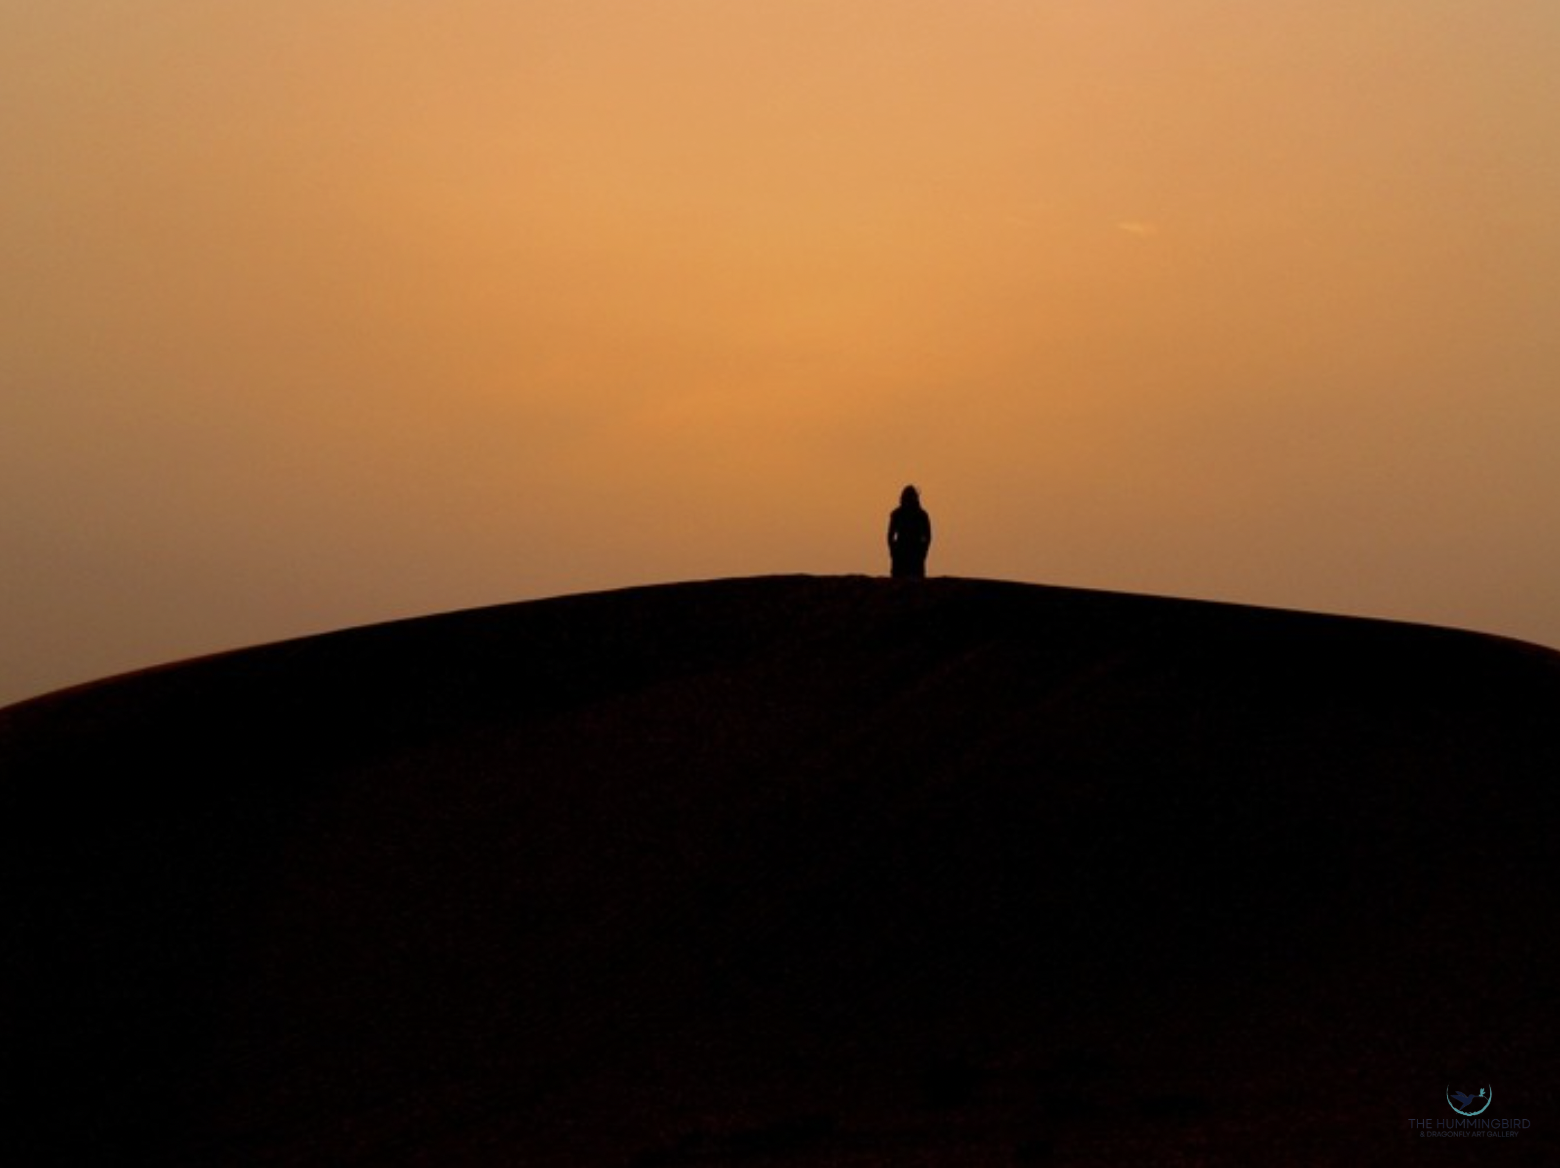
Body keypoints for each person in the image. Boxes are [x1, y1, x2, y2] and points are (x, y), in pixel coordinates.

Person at [887, 485, 932, 578]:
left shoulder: (921, 515)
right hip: (901, 554)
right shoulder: (897, 514)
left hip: (915, 555)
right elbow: (890, 536)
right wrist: (893, 551)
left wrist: (923, 552)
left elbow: (928, 537)